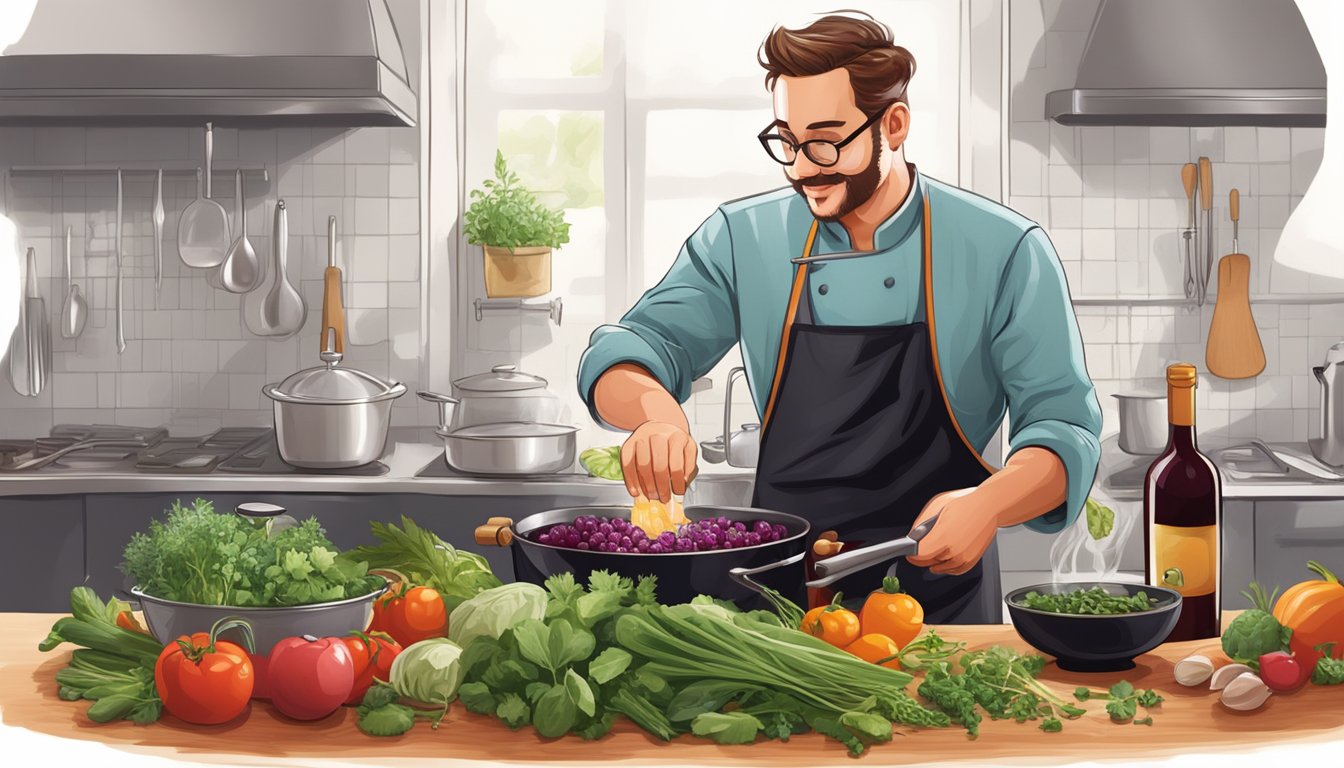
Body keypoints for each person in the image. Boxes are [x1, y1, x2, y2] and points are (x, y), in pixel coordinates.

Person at [576, 13, 1101, 622]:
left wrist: (989, 504)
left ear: (895, 125)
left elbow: (1065, 430)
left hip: (936, 593)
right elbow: (634, 346)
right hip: (779, 596)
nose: (802, 167)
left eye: (826, 140)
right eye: (787, 142)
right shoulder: (744, 238)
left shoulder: (1003, 248)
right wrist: (655, 413)